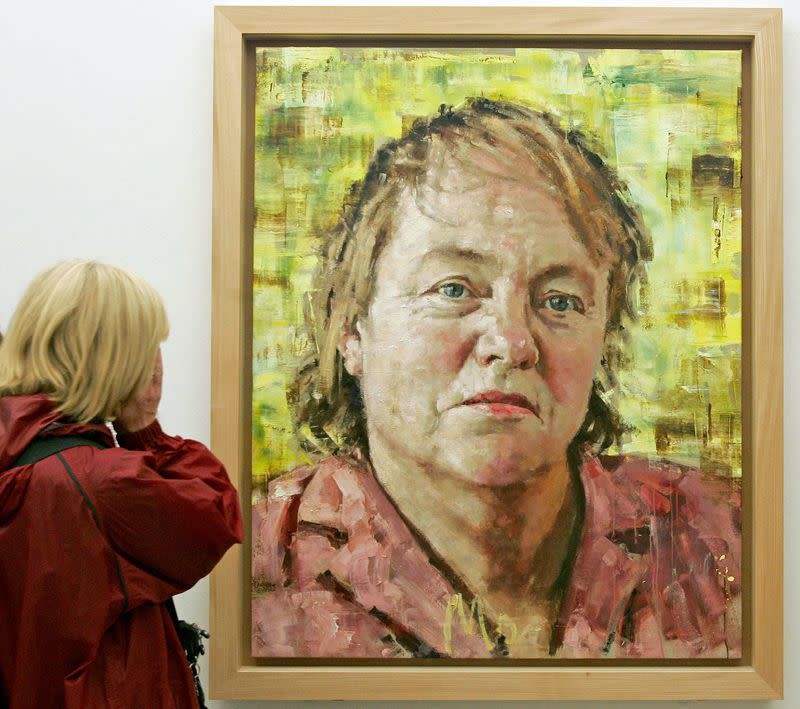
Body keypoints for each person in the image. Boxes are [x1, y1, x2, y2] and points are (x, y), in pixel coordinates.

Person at [251, 98, 741, 659]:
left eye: (559, 300)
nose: (512, 343)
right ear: (352, 329)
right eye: (454, 289)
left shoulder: (723, 541)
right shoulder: (255, 563)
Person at [0, 260, 243, 707]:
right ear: (115, 360)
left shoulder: (19, 453)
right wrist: (145, 429)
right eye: (147, 347)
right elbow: (213, 516)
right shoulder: (100, 484)